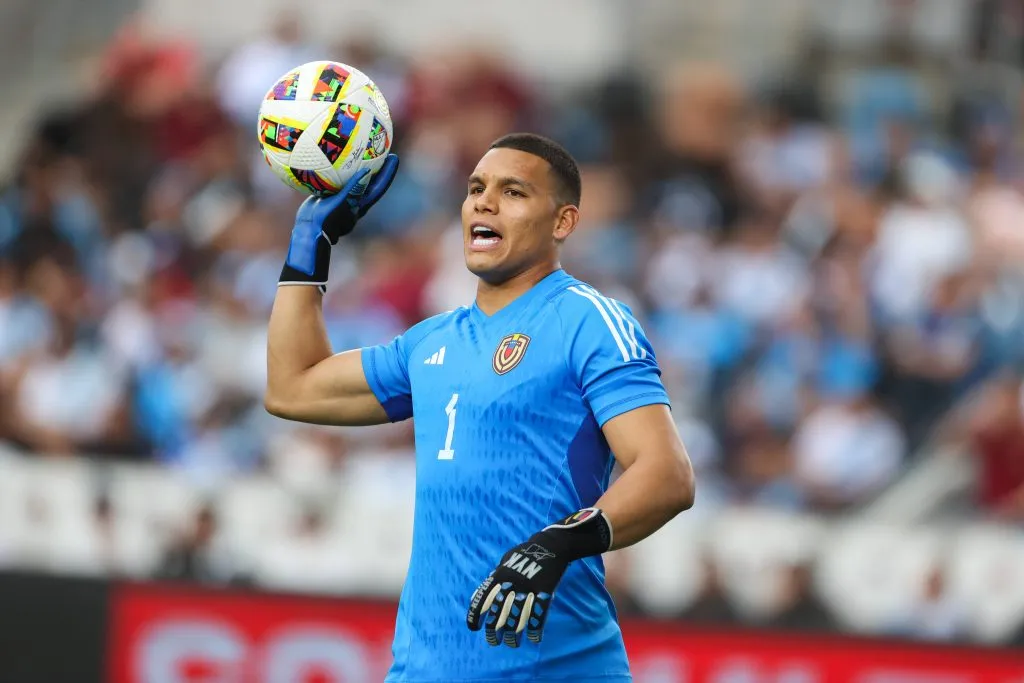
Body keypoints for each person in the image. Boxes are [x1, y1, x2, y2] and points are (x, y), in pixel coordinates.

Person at [265, 133, 696, 682]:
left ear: (562, 222)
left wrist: (560, 541)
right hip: (422, 670)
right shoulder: (429, 342)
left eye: (512, 191)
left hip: (553, 668)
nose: (483, 203)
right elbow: (292, 387)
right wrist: (312, 241)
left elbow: (667, 473)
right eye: (475, 189)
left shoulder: (590, 322)